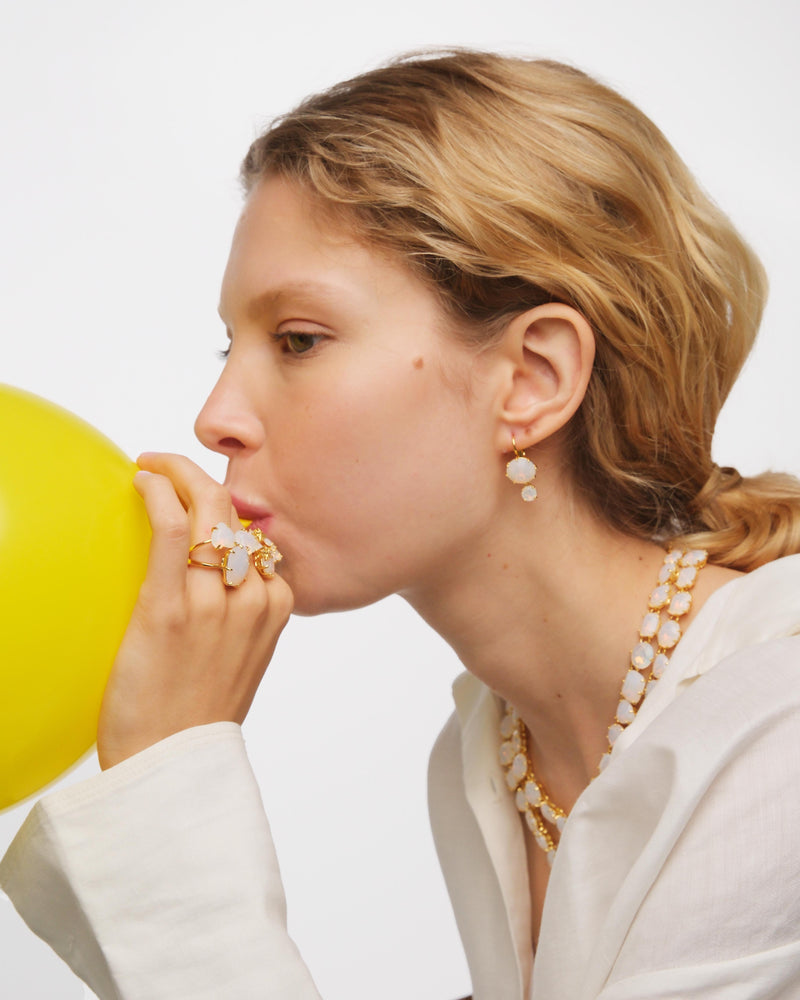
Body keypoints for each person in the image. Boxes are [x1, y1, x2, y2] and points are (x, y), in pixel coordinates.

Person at [2, 49, 800, 1000]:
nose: (215, 416)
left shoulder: (776, 733)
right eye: (232, 346)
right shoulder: (493, 754)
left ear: (533, 379)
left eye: (297, 340)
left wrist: (170, 778)